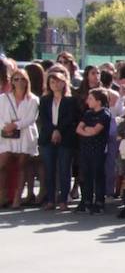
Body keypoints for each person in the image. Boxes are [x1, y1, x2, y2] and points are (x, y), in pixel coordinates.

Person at [38, 68, 79, 210]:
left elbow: (71, 118)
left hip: (66, 138)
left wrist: (59, 131)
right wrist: (53, 131)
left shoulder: (71, 100)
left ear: (64, 83)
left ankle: (63, 200)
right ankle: (50, 199)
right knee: (49, 169)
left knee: (64, 169)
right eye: (52, 81)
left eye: (58, 81)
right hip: (47, 138)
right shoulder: (44, 100)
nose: (55, 84)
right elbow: (44, 118)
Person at [0, 69, 40, 209]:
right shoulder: (4, 98)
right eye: (16, 79)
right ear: (11, 81)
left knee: (21, 166)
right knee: (2, 164)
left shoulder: (33, 99)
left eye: (22, 79)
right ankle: (2, 196)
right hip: (6, 135)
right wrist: (5, 126)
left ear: (27, 81)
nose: (19, 82)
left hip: (25, 135)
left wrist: (15, 125)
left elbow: (30, 119)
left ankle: (17, 198)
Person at [75, 89, 112, 214]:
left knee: (98, 175)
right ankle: (86, 201)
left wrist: (88, 130)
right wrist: (87, 131)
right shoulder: (88, 114)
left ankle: (99, 202)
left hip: (98, 149)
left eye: (90, 99)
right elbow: (79, 129)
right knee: (86, 175)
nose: (87, 101)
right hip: (86, 148)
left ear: (98, 101)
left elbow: (96, 130)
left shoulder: (105, 114)